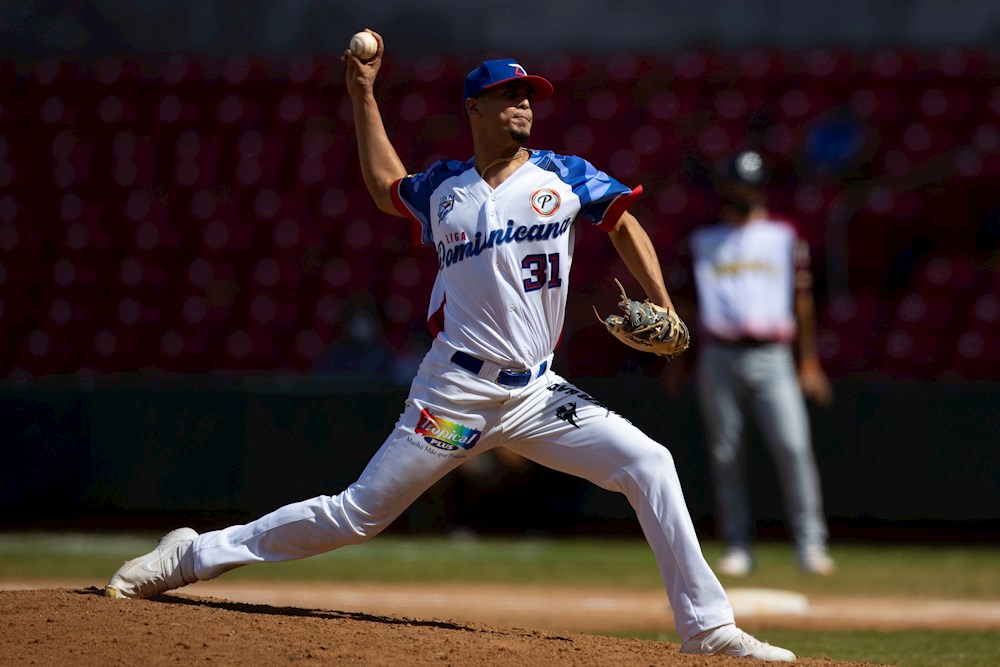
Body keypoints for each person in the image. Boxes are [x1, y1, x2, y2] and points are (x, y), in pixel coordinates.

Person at [104, 31, 796, 662]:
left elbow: (622, 223)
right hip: (454, 392)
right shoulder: (445, 189)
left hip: (536, 393)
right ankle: (193, 554)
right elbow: (383, 187)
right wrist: (363, 94)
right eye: (509, 95)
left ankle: (707, 628)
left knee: (650, 462)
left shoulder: (562, 173)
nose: (525, 104)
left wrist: (666, 302)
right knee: (356, 515)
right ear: (475, 108)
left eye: (530, 95)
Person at [689, 148, 835, 577]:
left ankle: (811, 544)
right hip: (718, 352)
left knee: (792, 446)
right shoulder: (703, 240)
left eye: (753, 184)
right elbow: (686, 299)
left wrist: (808, 360)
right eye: (740, 183)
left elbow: (803, 299)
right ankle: (737, 545)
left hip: (774, 354)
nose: (746, 191)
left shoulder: (784, 236)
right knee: (725, 452)